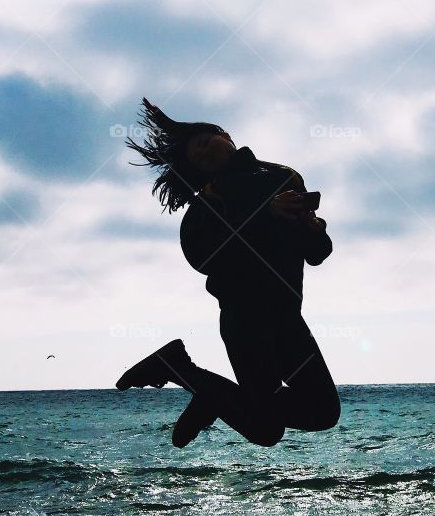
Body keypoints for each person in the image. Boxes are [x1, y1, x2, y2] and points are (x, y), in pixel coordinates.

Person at [114, 99, 341, 449]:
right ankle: (183, 372)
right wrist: (265, 214)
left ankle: (209, 392)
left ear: (225, 135)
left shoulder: (285, 176)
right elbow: (202, 258)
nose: (202, 154)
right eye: (195, 157)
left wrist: (314, 230)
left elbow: (317, 254)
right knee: (266, 430)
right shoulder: (208, 201)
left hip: (288, 318)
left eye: (204, 142)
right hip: (245, 322)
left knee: (324, 412)